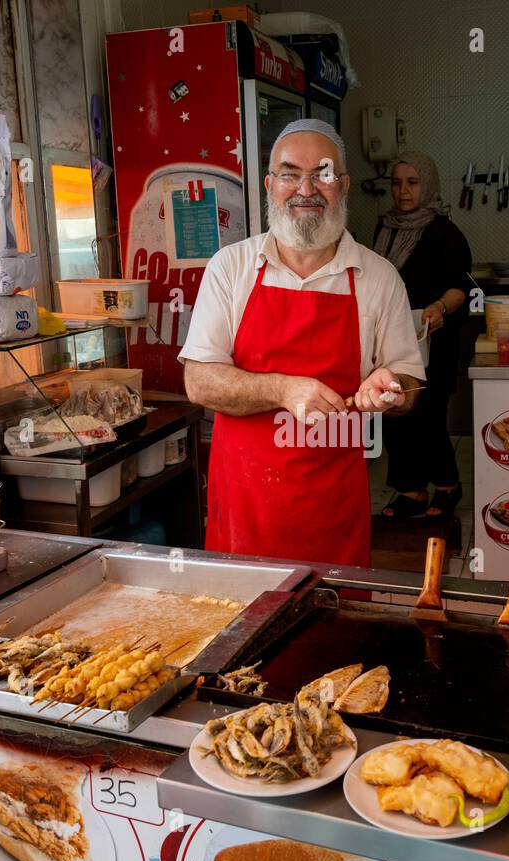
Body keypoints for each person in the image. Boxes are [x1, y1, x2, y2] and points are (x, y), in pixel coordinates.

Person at [180, 119, 425, 567]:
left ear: (344, 185)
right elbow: (198, 383)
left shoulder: (378, 277)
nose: (306, 189)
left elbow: (409, 384)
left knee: (336, 627)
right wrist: (283, 390)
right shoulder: (231, 268)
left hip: (334, 509)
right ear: (271, 185)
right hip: (247, 510)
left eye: (324, 174)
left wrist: (390, 387)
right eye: (291, 174)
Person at [372, 151, 472, 519]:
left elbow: (461, 287)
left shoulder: (444, 232)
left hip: (432, 337)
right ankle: (410, 490)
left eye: (412, 183)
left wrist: (440, 308)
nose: (403, 191)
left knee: (428, 416)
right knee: (394, 411)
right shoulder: (384, 228)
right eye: (396, 183)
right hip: (391, 338)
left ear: (426, 184)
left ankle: (447, 486)